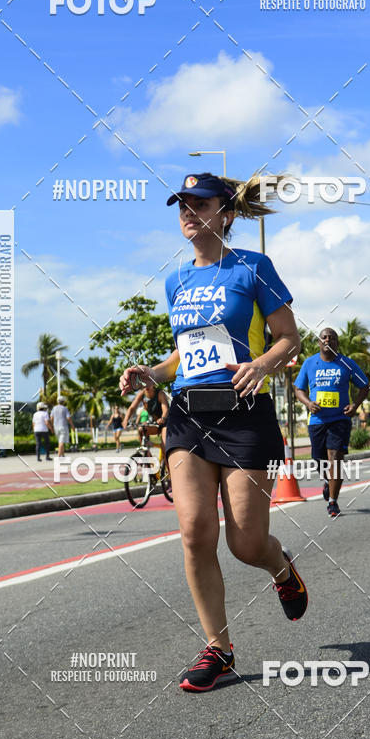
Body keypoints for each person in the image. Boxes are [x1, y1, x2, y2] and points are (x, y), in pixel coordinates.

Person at [119, 171, 306, 693]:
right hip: (188, 416)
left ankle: (281, 568)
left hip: (245, 415)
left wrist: (264, 364)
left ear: (225, 212)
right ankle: (218, 649)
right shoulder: (176, 280)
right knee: (195, 531)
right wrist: (153, 374)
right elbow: (186, 350)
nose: (187, 211)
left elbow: (288, 337)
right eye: (181, 203)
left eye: (199, 202)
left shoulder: (253, 267)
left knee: (246, 543)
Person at [294, 328, 369, 517]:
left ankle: (333, 502)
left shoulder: (347, 363)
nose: (328, 340)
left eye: (332, 338)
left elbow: (364, 385)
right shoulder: (310, 363)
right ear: (319, 343)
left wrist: (355, 406)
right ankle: (328, 482)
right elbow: (298, 389)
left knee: (335, 459)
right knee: (319, 460)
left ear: (337, 343)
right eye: (324, 338)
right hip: (317, 420)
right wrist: (308, 403)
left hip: (340, 420)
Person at [123, 382, 169, 464]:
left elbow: (165, 409)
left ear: (153, 384)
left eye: (148, 383)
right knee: (141, 429)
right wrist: (126, 419)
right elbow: (132, 408)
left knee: (164, 447)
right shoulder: (142, 394)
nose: (146, 386)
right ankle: (146, 453)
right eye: (144, 384)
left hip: (165, 423)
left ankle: (170, 473)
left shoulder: (160, 393)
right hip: (154, 424)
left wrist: (163, 418)